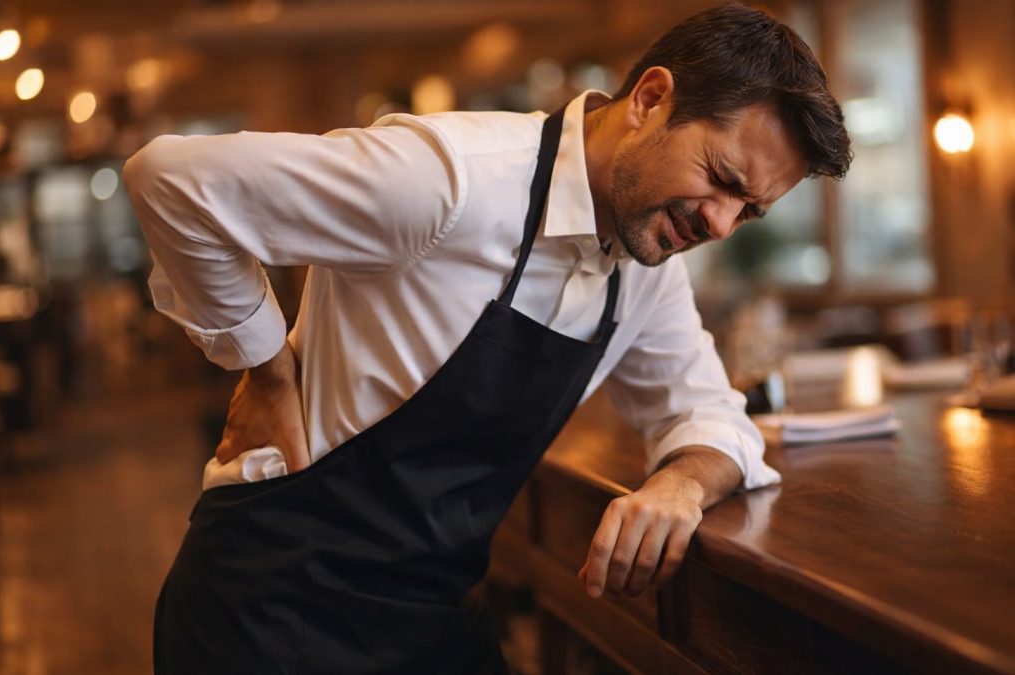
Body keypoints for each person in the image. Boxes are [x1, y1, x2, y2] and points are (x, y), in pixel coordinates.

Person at [124, 3, 851, 673]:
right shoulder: (453, 179)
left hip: (423, 616)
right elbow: (173, 179)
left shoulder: (643, 267)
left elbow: (714, 415)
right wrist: (264, 362)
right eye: (721, 178)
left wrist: (681, 485)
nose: (720, 225)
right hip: (267, 602)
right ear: (651, 98)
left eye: (747, 212)